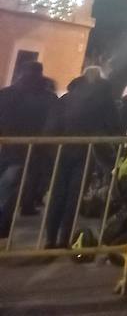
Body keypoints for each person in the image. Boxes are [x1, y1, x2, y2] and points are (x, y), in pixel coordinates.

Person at [44, 67, 122, 252]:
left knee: (57, 195)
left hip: (61, 150)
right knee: (74, 196)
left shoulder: (66, 98)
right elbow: (113, 125)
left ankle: (49, 239)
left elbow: (51, 126)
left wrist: (51, 147)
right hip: (86, 151)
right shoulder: (104, 99)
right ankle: (64, 239)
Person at [0, 61, 59, 238]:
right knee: (10, 189)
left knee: (8, 187)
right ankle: (2, 227)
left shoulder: (7, 93)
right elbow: (52, 124)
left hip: (7, 145)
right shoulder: (48, 98)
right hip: (29, 149)